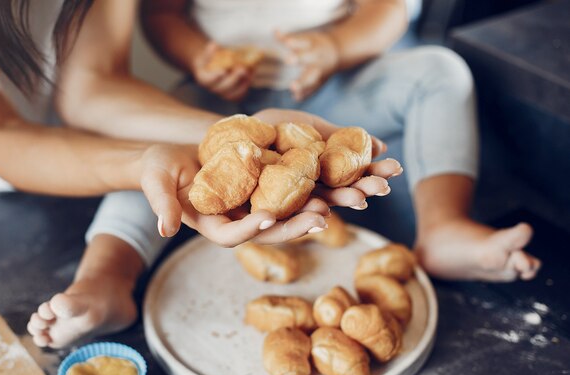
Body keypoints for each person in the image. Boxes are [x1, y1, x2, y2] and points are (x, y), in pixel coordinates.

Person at [0, 0, 399, 348]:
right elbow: (0, 135)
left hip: (92, 126)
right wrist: (142, 163)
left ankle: (109, 281)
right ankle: (105, 279)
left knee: (168, 167)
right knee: (152, 178)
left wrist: (237, 138)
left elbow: (91, 87)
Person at [142, 0, 541, 282]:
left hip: (336, 87)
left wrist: (337, 47)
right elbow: (161, 13)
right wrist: (199, 58)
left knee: (441, 70)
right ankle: (110, 266)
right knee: (147, 142)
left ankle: (444, 226)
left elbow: (387, 8)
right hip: (218, 101)